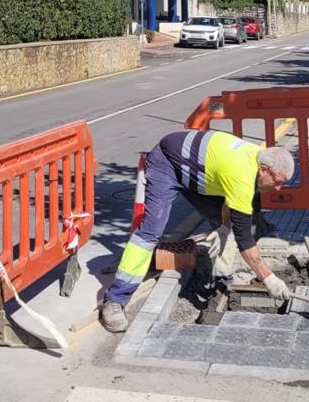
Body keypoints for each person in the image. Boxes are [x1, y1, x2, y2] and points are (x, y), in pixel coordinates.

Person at [99, 128, 295, 332]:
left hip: (194, 172)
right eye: (278, 182)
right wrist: (268, 277)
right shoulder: (242, 174)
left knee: (224, 223)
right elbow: (245, 240)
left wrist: (223, 227)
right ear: (264, 169)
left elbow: (231, 198)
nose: (279, 188)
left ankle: (221, 280)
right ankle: (115, 299)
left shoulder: (253, 162)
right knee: (150, 232)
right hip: (167, 164)